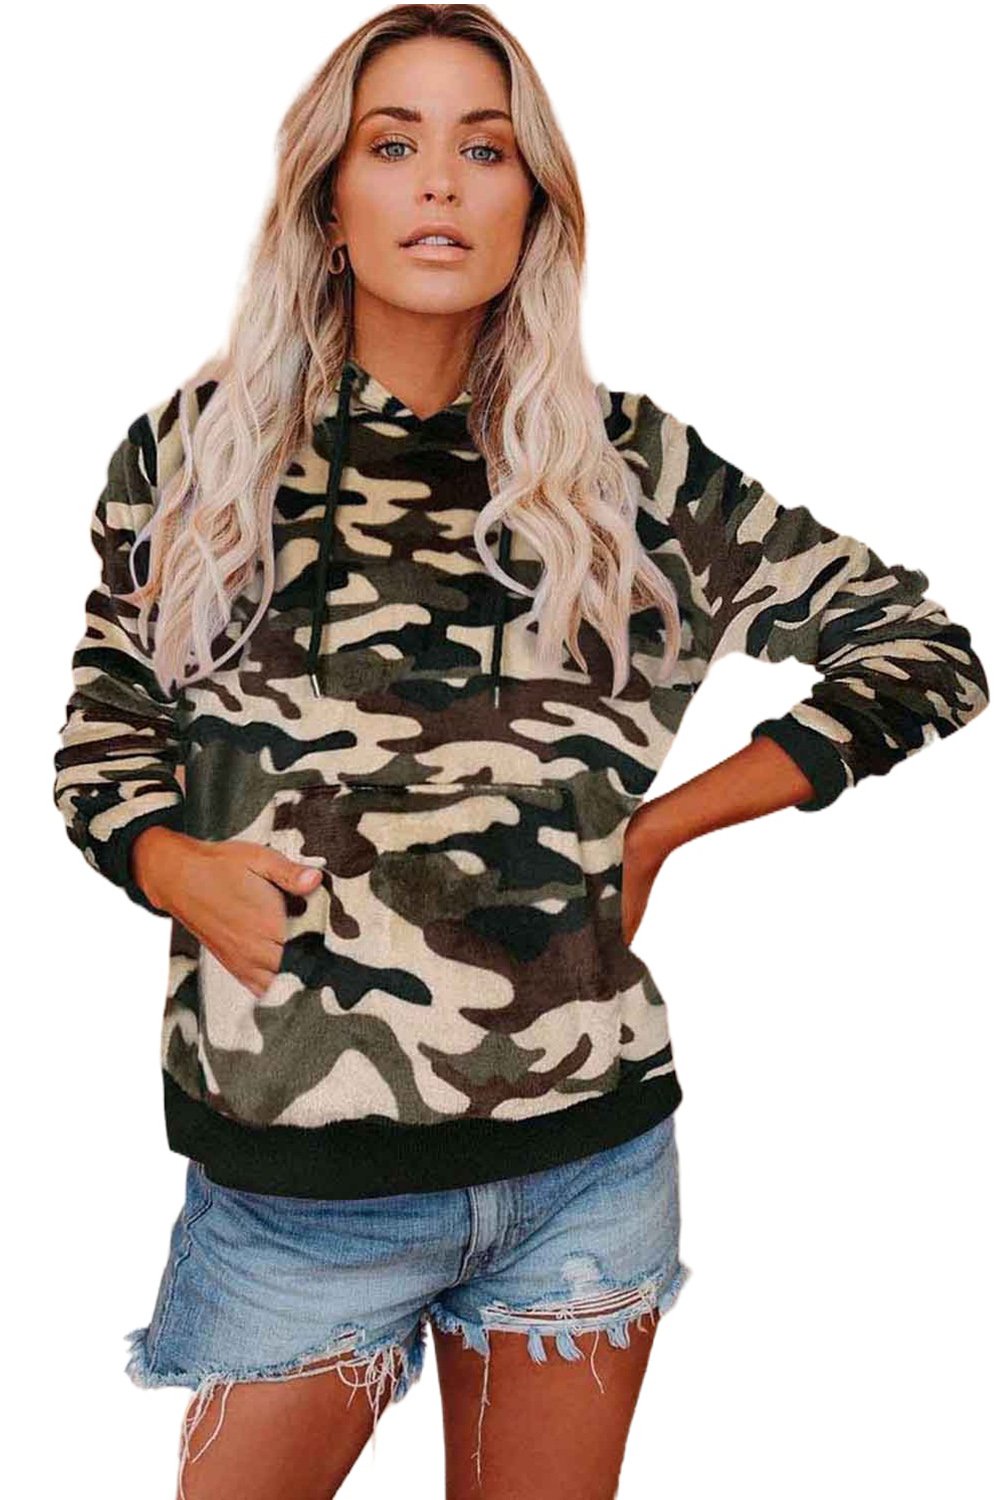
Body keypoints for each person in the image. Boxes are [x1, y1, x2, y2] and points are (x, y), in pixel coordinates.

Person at [52, 6, 990, 1499]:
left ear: (534, 205)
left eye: (485, 149)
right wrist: (172, 866)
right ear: (327, 200)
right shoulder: (196, 453)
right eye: (394, 144)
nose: (440, 181)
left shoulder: (631, 468)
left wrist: (663, 826)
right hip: (300, 1180)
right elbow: (105, 738)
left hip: (585, 1165)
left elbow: (922, 652)